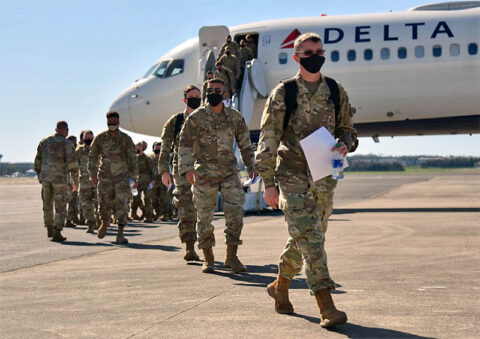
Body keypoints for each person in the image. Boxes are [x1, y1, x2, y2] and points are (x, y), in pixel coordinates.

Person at [255, 32, 357, 328]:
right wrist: (268, 183)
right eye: (308, 51)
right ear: (296, 57)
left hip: (324, 173)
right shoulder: (283, 92)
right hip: (292, 173)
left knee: (309, 234)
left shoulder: (336, 91)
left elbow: (348, 130)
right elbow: (268, 138)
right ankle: (326, 304)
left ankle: (280, 286)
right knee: (311, 238)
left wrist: (345, 144)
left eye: (319, 50)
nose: (315, 55)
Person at [178, 79, 255, 273]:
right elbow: (184, 143)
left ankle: (231, 256)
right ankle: (208, 257)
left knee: (236, 213)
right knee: (204, 217)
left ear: (225, 94)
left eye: (217, 90)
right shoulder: (196, 117)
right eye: (210, 90)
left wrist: (251, 165)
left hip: (229, 172)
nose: (213, 92)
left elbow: (245, 143)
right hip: (204, 174)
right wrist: (187, 168)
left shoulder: (234, 117)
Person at [159, 85, 202, 262]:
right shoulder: (175, 121)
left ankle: (206, 247)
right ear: (185, 99)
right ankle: (190, 246)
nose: (195, 99)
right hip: (182, 171)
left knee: (204, 209)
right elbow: (165, 146)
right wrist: (163, 170)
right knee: (185, 207)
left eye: (197, 96)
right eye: (191, 96)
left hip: (204, 170)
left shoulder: (208, 118)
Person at [88, 111, 138, 243]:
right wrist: (92, 174)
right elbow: (92, 157)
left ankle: (120, 234)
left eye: (114, 122)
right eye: (110, 122)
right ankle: (104, 222)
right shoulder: (99, 139)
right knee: (104, 203)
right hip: (104, 176)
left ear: (119, 122)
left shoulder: (126, 139)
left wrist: (134, 178)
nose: (112, 124)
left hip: (122, 177)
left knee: (122, 204)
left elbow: (133, 159)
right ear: (107, 123)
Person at [34, 121, 79, 242]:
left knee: (47, 204)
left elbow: (38, 159)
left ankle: (49, 227)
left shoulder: (44, 141)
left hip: (46, 179)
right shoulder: (67, 143)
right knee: (60, 206)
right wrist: (76, 181)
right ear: (64, 130)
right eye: (67, 130)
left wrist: (40, 175)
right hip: (60, 180)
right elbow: (73, 164)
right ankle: (57, 231)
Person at [77, 130, 99, 233]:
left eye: (90, 137)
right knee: (86, 204)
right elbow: (74, 165)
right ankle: (90, 223)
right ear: (83, 139)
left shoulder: (98, 149)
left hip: (97, 181)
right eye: (86, 137)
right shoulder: (79, 151)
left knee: (99, 203)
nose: (88, 139)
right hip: (84, 181)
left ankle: (99, 221)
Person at [131, 142, 156, 223]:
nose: (136, 149)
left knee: (148, 199)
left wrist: (153, 180)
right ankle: (138, 212)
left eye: (138, 148)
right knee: (136, 198)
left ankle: (149, 217)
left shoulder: (147, 158)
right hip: (137, 182)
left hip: (147, 182)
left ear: (142, 148)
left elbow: (153, 170)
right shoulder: (134, 159)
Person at [65, 135, 80, 227]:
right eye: (73, 142)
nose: (74, 143)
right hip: (69, 180)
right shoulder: (71, 152)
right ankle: (69, 220)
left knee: (72, 201)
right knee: (71, 201)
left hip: (67, 179)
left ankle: (71, 219)